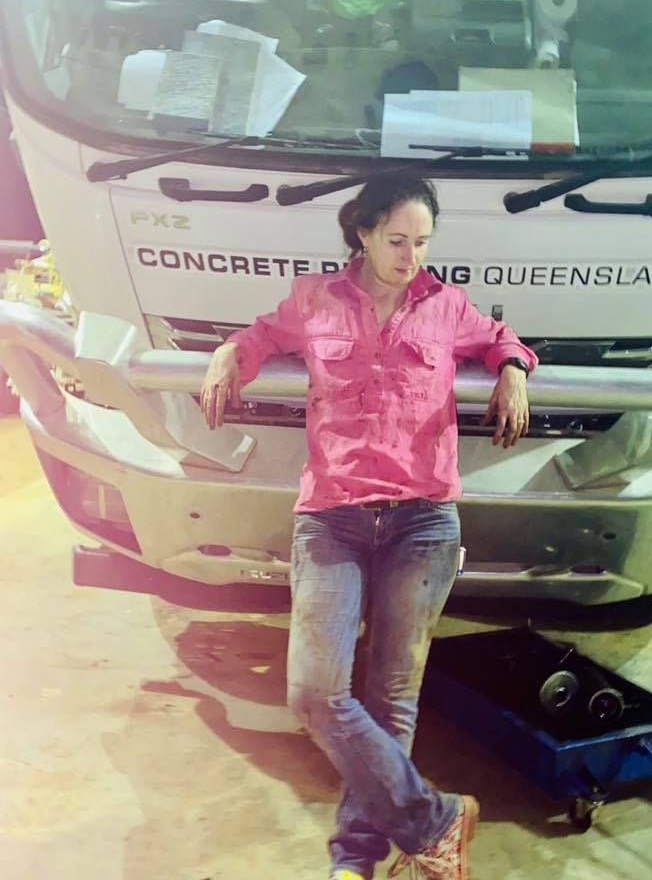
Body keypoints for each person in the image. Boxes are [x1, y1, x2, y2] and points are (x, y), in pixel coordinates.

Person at [200, 170, 538, 880]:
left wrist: (512, 368)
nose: (411, 255)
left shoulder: (445, 305)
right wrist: (233, 353)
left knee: (390, 696)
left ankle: (354, 861)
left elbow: (502, 337)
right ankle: (435, 820)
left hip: (422, 521)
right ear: (362, 232)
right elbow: (262, 335)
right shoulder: (314, 299)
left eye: (421, 242)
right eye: (396, 239)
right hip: (333, 517)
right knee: (315, 690)